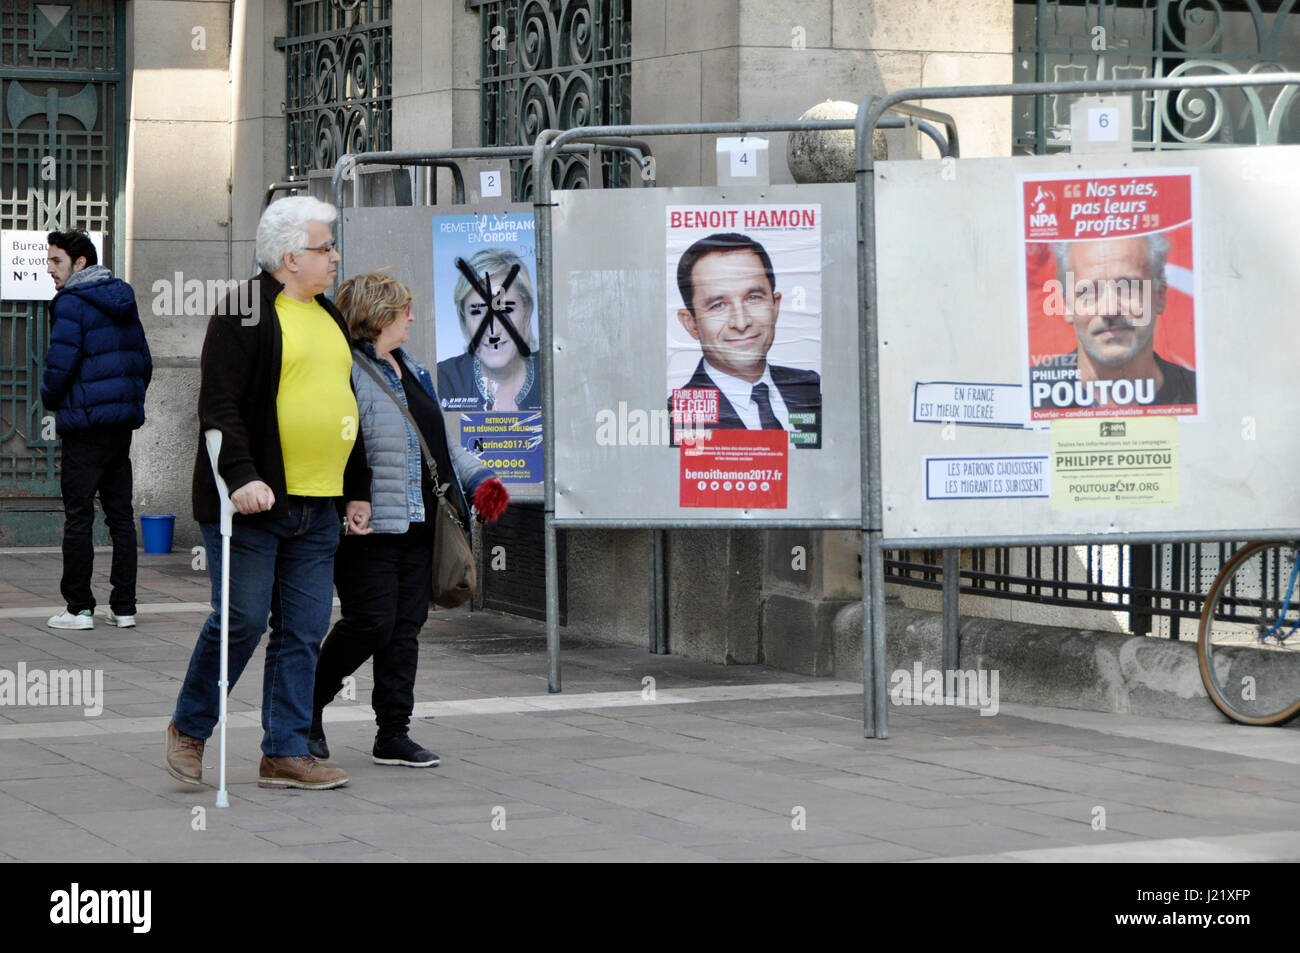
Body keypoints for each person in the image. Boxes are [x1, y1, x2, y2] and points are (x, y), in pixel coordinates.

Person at [165, 196, 369, 791]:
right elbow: (219, 405)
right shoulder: (245, 314)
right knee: (241, 620)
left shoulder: (328, 315)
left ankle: (285, 751)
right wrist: (243, 477)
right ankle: (189, 727)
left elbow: (343, 407)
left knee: (304, 631)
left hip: (319, 504)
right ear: (288, 257)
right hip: (253, 504)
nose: (334, 256)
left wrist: (355, 489)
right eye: (324, 247)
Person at [311, 272, 509, 768]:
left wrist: (482, 478)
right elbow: (337, 443)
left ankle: (393, 734)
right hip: (369, 526)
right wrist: (348, 501)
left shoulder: (412, 367)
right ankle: (304, 711)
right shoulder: (346, 370)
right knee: (369, 624)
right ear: (379, 316)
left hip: (423, 525)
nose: (413, 318)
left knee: (404, 631)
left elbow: (439, 444)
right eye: (404, 311)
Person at [41, 230, 152, 630]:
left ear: (80, 263)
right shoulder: (122, 297)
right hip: (120, 426)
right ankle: (124, 608)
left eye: (56, 261)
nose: (49, 268)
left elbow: (61, 364)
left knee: (78, 515)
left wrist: (52, 398)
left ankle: (78, 609)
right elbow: (144, 359)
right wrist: (126, 403)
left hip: (85, 426)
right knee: (120, 515)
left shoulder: (72, 302)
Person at [669, 232, 821, 447]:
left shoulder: (812, 389)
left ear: (775, 306)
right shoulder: (672, 421)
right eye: (718, 305)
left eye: (753, 298)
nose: (741, 323)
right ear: (691, 323)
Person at [1032, 234, 1197, 412]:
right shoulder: (1028, 398)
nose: (1109, 310)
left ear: (1160, 296)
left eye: (1128, 288)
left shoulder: (1200, 396)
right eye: (1088, 292)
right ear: (1066, 305)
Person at [436, 247, 540, 412]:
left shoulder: (554, 373)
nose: (493, 331)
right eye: (477, 312)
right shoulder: (443, 379)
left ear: (526, 312)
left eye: (505, 310)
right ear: (464, 318)